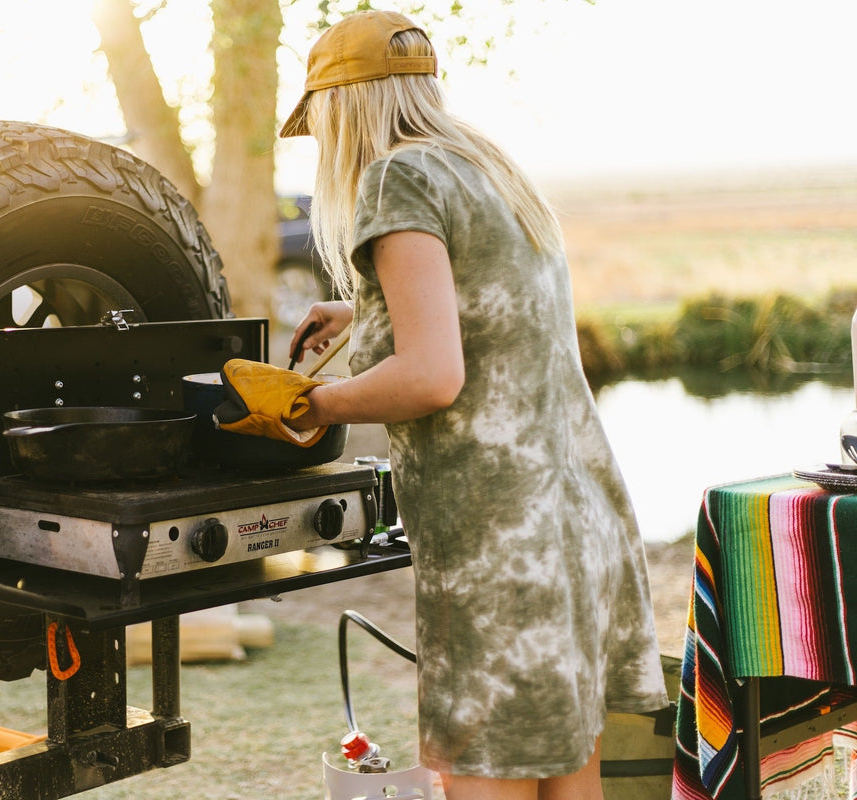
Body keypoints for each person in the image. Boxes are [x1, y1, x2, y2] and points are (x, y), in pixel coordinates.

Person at [214, 9, 669, 800]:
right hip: (572, 527)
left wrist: (313, 404)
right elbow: (497, 306)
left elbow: (431, 378)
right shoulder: (484, 165)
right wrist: (363, 311)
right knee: (571, 784)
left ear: (340, 110)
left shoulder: (399, 176)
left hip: (497, 550)